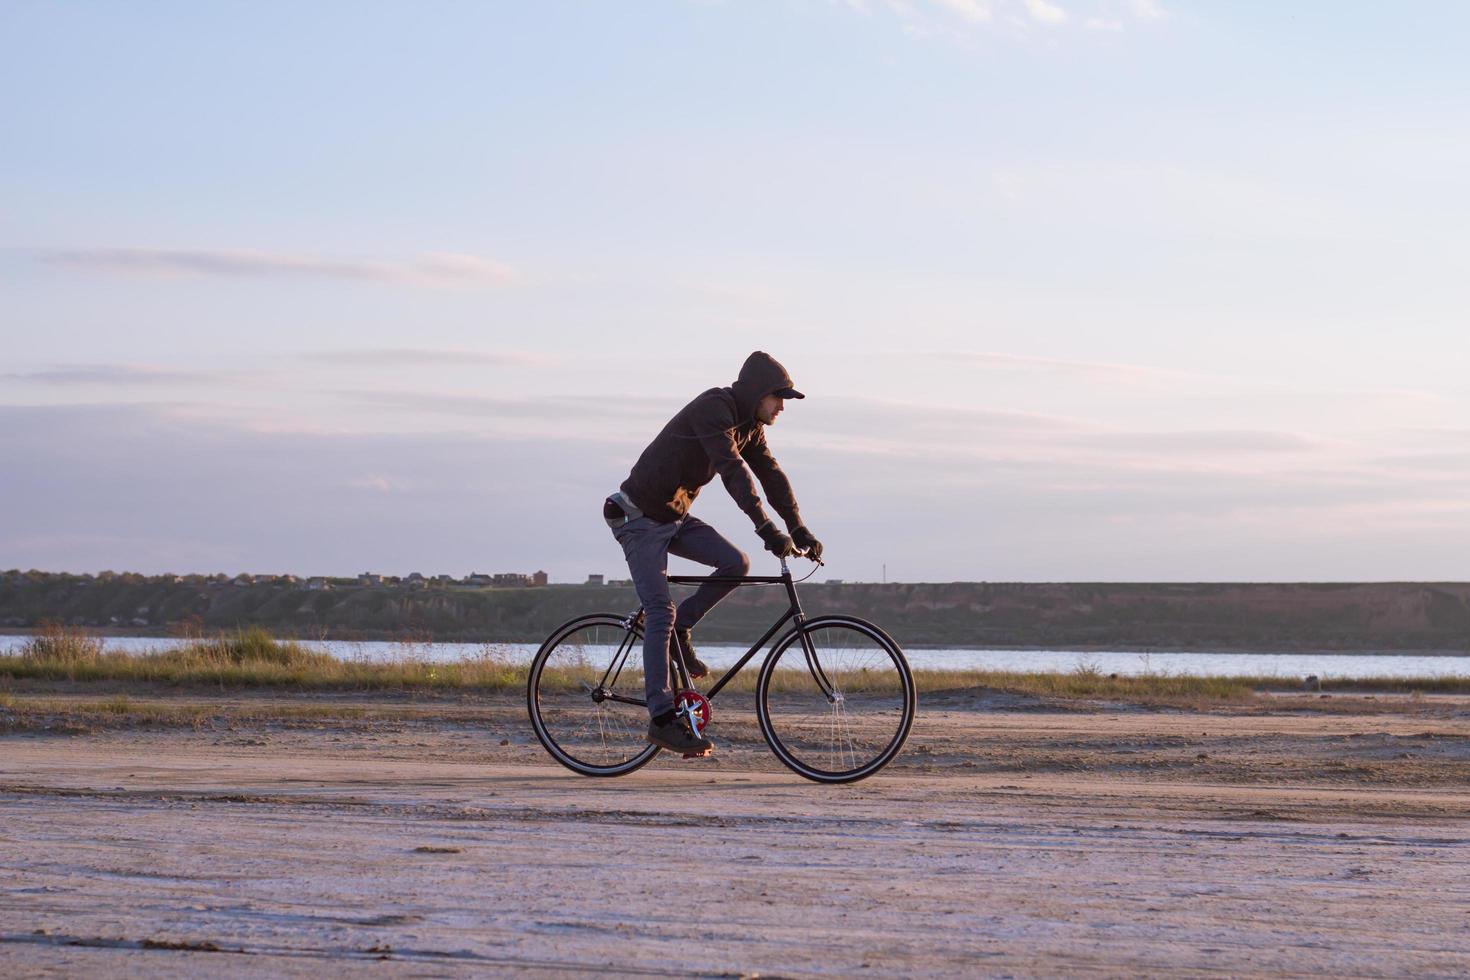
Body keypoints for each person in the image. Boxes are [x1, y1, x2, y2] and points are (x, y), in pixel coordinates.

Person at [603, 351, 823, 756]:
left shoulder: (749, 428)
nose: (781, 407)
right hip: (636, 518)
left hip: (672, 518)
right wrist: (766, 528)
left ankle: (679, 632)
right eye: (779, 398)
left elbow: (770, 475)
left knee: (736, 564)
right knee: (659, 610)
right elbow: (732, 470)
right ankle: (663, 719)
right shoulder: (714, 409)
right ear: (758, 392)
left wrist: (796, 527)